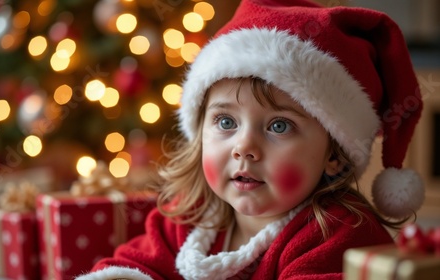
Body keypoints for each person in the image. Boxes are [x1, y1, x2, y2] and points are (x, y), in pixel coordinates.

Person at [77, 0, 425, 279]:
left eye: (278, 126)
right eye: (226, 121)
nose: (244, 147)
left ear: (334, 154)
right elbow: (134, 264)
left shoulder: (338, 234)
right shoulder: (191, 216)